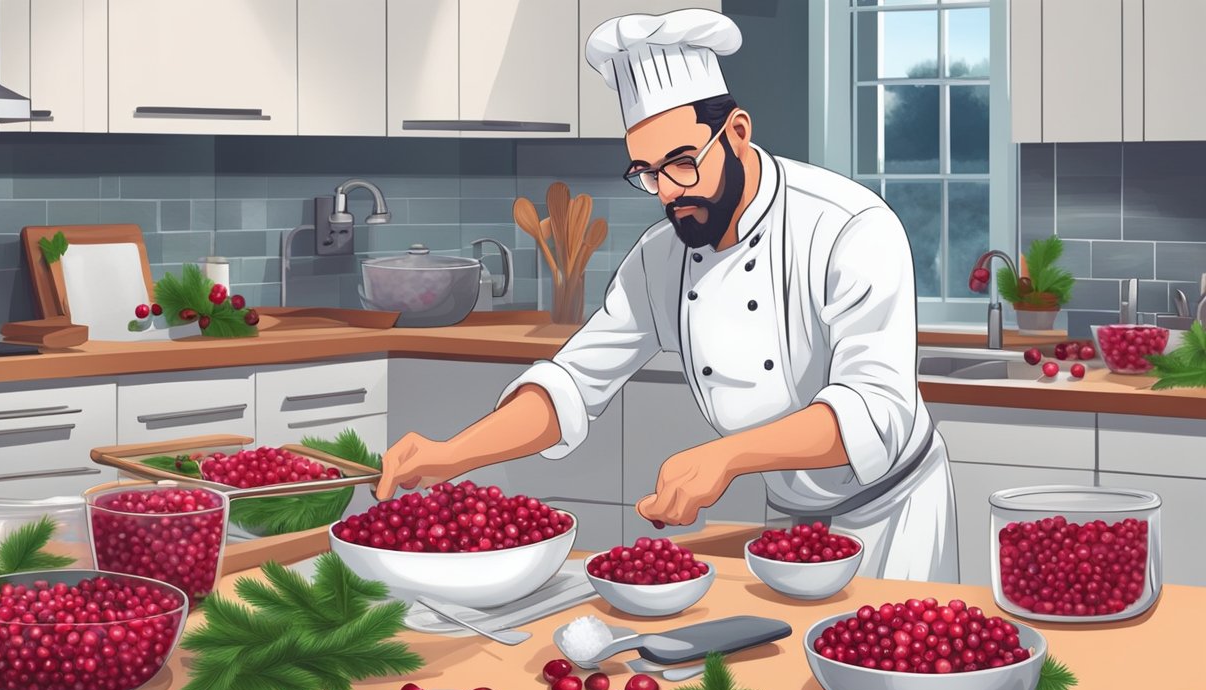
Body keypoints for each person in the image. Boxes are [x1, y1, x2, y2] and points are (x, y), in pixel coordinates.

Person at [376, 8, 959, 582]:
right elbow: (573, 384)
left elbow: (874, 412)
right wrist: (452, 455)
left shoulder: (849, 226)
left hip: (894, 517)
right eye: (647, 173)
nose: (667, 193)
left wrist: (724, 457)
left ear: (736, 132)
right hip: (789, 522)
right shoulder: (662, 255)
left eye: (682, 164)